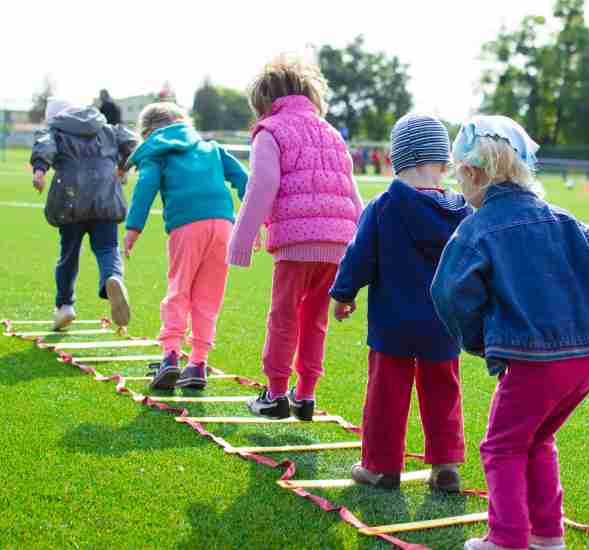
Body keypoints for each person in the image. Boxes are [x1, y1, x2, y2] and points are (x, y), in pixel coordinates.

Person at [430, 116, 589, 550]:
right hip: (586, 363)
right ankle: (547, 536)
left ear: (472, 173)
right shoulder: (563, 218)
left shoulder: (477, 227)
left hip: (534, 362)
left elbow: (448, 292)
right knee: (538, 439)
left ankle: (506, 540)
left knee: (501, 447)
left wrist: (480, 340)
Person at [330, 113, 471, 492]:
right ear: (444, 162)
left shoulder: (383, 206)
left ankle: (381, 466)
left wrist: (344, 294)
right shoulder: (463, 211)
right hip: (444, 322)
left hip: (392, 321)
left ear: (394, 159)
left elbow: (359, 256)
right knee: (443, 393)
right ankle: (445, 465)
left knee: (386, 395)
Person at [228, 55, 363, 421]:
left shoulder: (270, 131)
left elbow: (263, 184)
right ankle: (305, 395)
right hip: (338, 243)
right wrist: (363, 249)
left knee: (283, 316)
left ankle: (274, 394)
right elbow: (352, 193)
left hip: (296, 242)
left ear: (263, 101)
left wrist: (242, 236)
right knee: (314, 319)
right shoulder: (331, 133)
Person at [124, 102, 248, 391]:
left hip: (187, 226)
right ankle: (198, 364)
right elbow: (245, 180)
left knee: (179, 289)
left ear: (148, 133)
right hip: (224, 226)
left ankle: (170, 356)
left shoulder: (157, 152)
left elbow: (145, 187)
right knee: (208, 296)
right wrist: (256, 220)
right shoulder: (212, 148)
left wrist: (133, 228)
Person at [30, 98, 137, 331]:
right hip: (106, 198)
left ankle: (65, 306)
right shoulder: (105, 128)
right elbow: (130, 141)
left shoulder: (55, 131)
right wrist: (123, 166)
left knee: (68, 254)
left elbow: (45, 145)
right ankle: (113, 277)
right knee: (108, 248)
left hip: (71, 202)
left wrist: (39, 170)